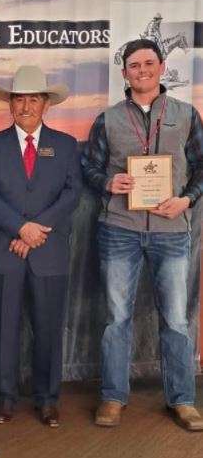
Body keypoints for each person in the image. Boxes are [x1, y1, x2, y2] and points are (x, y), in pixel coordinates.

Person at [82, 38, 203, 431]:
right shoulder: (109, 118)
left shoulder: (186, 114)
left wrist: (186, 200)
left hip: (172, 231)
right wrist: (108, 182)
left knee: (176, 320)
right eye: (134, 65)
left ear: (162, 66)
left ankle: (182, 400)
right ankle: (113, 398)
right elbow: (90, 168)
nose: (142, 70)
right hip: (119, 229)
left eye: (149, 63)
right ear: (125, 73)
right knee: (117, 318)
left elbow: (202, 168)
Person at [0, 65, 82, 428]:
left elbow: (72, 194)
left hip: (48, 252)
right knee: (3, 327)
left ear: (45, 104)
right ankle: (4, 397)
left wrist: (37, 231)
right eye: (18, 99)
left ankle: (48, 399)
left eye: (33, 99)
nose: (25, 106)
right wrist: (21, 229)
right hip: (4, 249)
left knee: (48, 327)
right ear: (10, 104)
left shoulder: (66, 146)